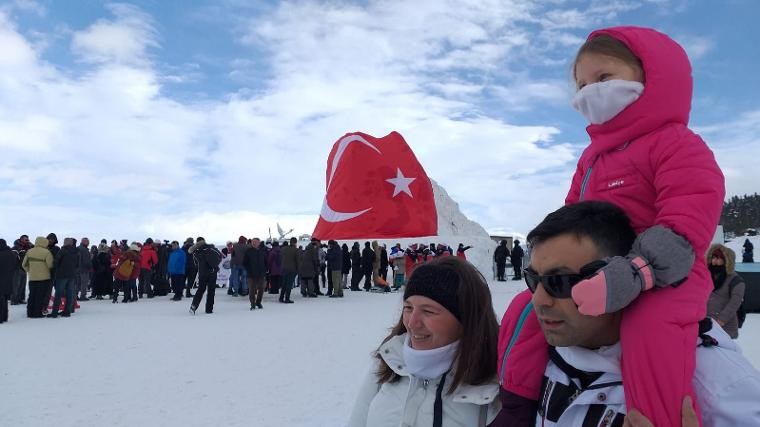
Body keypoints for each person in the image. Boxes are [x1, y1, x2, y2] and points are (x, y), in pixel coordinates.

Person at [499, 26, 726, 426]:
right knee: (525, 309)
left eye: (603, 79)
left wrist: (637, 272)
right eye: (582, 84)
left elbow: (687, 218)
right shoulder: (591, 158)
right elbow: (569, 218)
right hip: (595, 272)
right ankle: (516, 407)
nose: (590, 91)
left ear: (650, 75)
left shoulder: (675, 143)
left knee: (649, 327)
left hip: (667, 277)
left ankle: (656, 417)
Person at [493, 201, 760, 426]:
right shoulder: (541, 353)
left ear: (618, 281)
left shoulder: (716, 385)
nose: (538, 300)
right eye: (533, 280)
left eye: (559, 282)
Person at [348, 257, 501, 426]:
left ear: (465, 319)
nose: (412, 323)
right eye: (408, 308)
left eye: (428, 311)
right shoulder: (389, 362)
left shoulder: (493, 388)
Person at [706, 244, 745, 339]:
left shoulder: (735, 280)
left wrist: (721, 320)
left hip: (724, 325)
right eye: (714, 257)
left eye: (719, 258)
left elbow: (735, 302)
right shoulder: (706, 276)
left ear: (727, 260)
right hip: (705, 322)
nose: (715, 260)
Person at [22, 236, 54, 318]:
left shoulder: (29, 251)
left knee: (32, 295)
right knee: (40, 296)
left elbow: (24, 265)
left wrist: (30, 270)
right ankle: (37, 313)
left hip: (32, 277)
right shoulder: (46, 252)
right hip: (44, 278)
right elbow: (50, 265)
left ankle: (30, 312)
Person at [189, 238, 222, 314]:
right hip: (212, 273)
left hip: (202, 273)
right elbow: (220, 256)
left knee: (200, 290)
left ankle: (193, 306)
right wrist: (215, 266)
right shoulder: (211, 248)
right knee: (211, 291)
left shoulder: (195, 252)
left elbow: (196, 264)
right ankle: (209, 309)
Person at [49, 238, 79, 318]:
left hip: (62, 275)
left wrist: (55, 267)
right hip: (72, 275)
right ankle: (67, 311)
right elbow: (78, 264)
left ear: (65, 243)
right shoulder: (76, 252)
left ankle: (54, 312)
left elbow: (56, 262)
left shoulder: (62, 250)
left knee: (59, 293)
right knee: (69, 294)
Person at [243, 238, 267, 310]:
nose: (254, 243)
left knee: (262, 288)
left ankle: (258, 302)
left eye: (255, 242)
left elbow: (266, 261)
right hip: (251, 274)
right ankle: (253, 304)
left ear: (259, 243)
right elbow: (244, 263)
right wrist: (248, 270)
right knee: (252, 290)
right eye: (253, 242)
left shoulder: (262, 251)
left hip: (261, 273)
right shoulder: (248, 251)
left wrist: (266, 269)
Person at [0, 239, 19, 323]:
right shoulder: (11, 253)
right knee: (4, 299)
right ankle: (5, 317)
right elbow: (16, 265)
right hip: (8, 279)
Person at [11, 235, 31, 305]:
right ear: (21, 239)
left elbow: (34, 248)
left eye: (27, 240)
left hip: (24, 268)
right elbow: (12, 258)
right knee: (16, 285)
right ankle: (14, 300)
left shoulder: (27, 247)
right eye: (26, 240)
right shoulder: (15, 247)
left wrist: (30, 243)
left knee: (23, 285)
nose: (27, 241)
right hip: (17, 269)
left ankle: (21, 299)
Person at [279, 237, 298, 304]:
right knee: (289, 284)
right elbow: (297, 260)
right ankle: (287, 298)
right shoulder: (296, 250)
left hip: (284, 268)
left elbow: (280, 258)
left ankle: (281, 298)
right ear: (295, 242)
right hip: (292, 269)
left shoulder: (283, 249)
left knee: (284, 284)